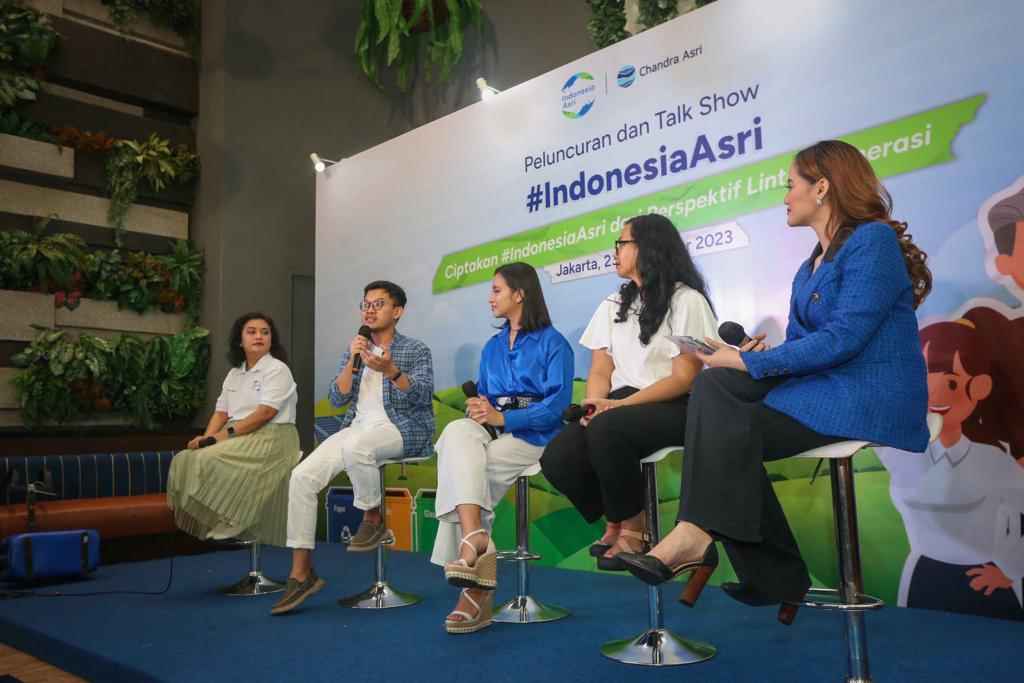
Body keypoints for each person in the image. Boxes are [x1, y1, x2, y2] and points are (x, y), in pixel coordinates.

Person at [619, 140, 934, 624]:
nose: (785, 196)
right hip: (820, 386)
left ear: (823, 188)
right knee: (713, 386)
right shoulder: (807, 268)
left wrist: (745, 364)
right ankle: (722, 547)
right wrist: (747, 357)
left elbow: (844, 339)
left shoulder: (872, 241)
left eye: (791, 185)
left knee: (729, 416)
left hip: (863, 395)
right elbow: (809, 345)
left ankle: (729, 549)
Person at [540, 213, 719, 571]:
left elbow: (684, 378)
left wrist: (614, 408)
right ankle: (617, 517)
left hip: (673, 402)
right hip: (620, 402)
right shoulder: (612, 303)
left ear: (648, 248)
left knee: (608, 428)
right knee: (558, 456)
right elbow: (600, 368)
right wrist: (595, 402)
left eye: (622, 243)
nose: (615, 251)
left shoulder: (687, 300)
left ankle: (635, 530)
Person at [271, 281, 434, 615]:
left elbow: (421, 397)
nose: (370, 310)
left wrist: (390, 370)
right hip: (357, 428)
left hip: (402, 429)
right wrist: (353, 360)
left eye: (379, 304)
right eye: (366, 304)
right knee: (302, 477)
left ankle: (372, 518)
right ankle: (301, 573)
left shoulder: (415, 349)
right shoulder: (355, 348)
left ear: (397, 311)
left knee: (359, 447)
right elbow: (336, 397)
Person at [431, 262, 574, 634]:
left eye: (496, 290)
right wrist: (479, 408)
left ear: (520, 293)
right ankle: (474, 539)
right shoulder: (493, 346)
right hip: (493, 429)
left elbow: (556, 407)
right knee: (456, 435)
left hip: (535, 437)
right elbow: (486, 396)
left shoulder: (553, 343)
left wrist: (504, 420)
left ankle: (474, 589)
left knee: (474, 470)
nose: (489, 297)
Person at [878, 307, 1024, 620]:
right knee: (922, 654)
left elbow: (1020, 517)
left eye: (952, 382)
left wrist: (1011, 570)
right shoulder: (900, 452)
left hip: (982, 581)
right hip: (923, 576)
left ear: (979, 387)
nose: (936, 394)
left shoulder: (993, 460)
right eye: (925, 381)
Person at [167, 312, 300, 546]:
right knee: (185, 458)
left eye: (265, 332)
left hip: (272, 435)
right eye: (252, 331)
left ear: (271, 340)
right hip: (238, 433)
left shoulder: (278, 369)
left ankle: (235, 519)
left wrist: (216, 439)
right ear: (240, 340)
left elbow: (264, 414)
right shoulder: (234, 373)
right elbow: (221, 412)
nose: (259, 336)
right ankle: (217, 518)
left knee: (209, 458)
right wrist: (205, 438)